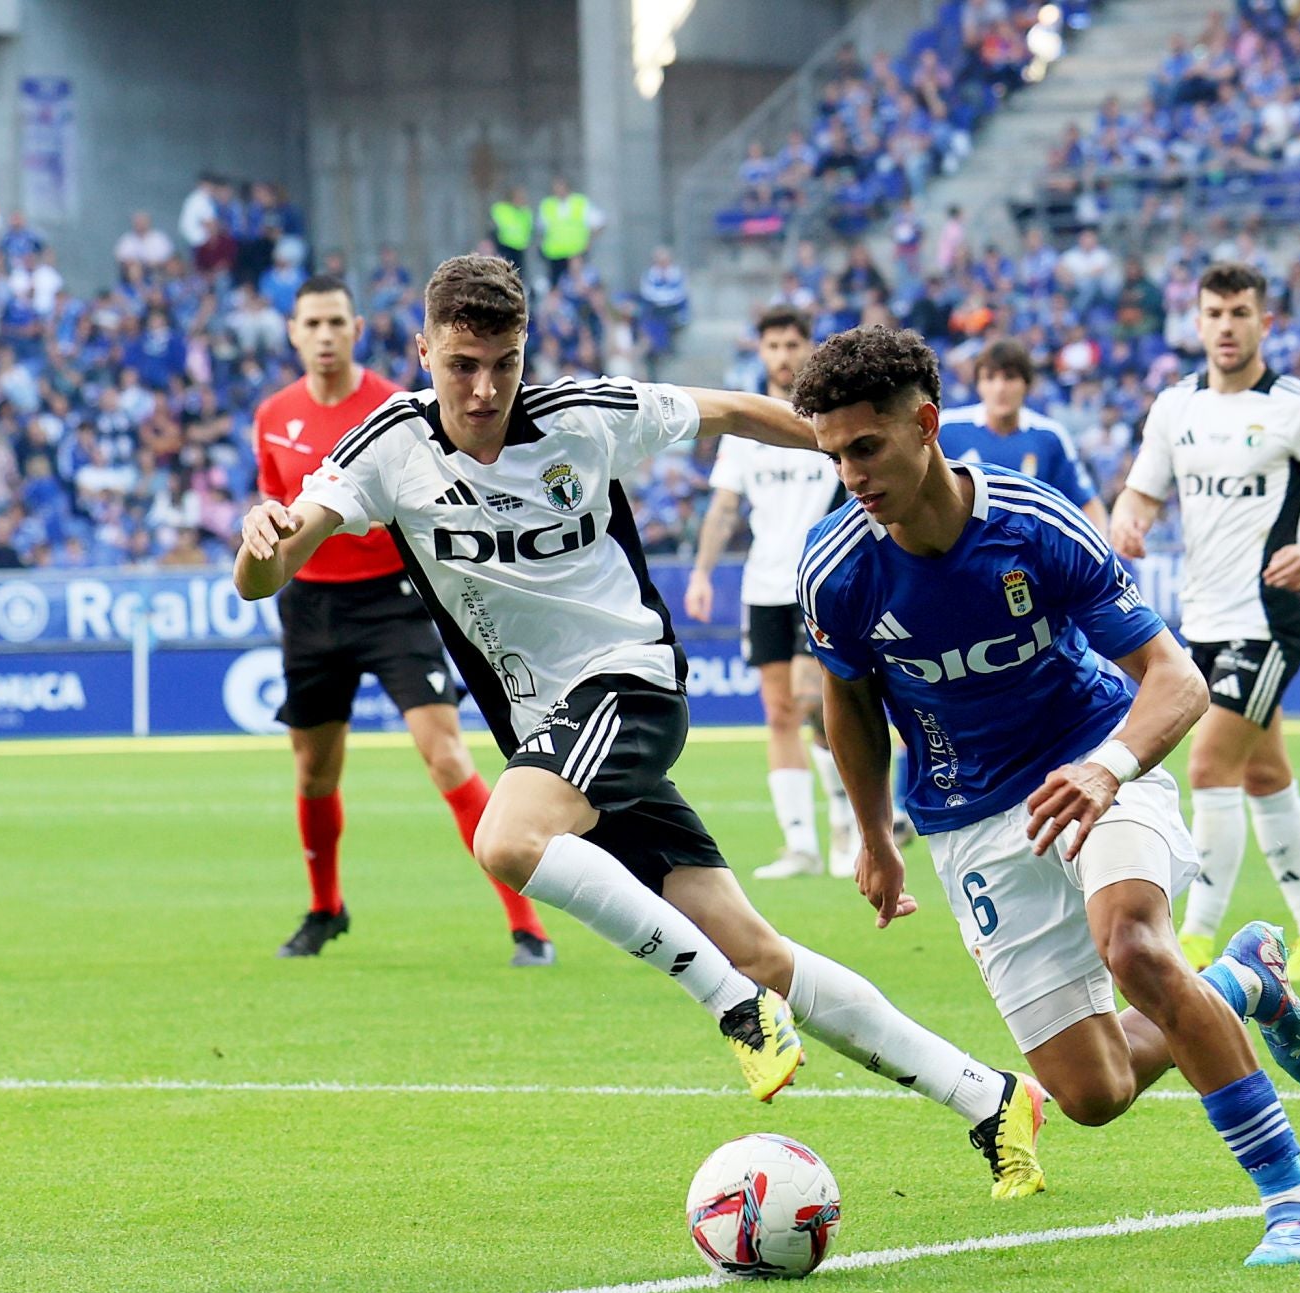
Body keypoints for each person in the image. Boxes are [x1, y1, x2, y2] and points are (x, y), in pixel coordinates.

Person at [235, 255, 1043, 1195]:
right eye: (462, 365)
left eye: (504, 360)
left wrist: (868, 451)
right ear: (423, 353)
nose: (486, 387)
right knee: (758, 947)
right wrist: (262, 541)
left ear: (524, 349)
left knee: (506, 837)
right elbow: (271, 569)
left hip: (631, 686)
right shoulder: (387, 448)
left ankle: (735, 1010)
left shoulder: (583, 415)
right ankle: (987, 1095)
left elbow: (737, 412)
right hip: (553, 734)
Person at [793, 326, 1300, 1262]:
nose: (851, 474)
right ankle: (1245, 977)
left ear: (924, 425)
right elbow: (846, 702)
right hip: (968, 823)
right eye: (833, 454)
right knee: (1092, 1094)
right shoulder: (837, 568)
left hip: (1089, 765)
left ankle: (1297, 1204)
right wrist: (873, 834)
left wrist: (1109, 766)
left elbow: (1174, 679)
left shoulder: (1035, 525)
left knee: (1133, 946)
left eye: (866, 447)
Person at [253, 275, 556, 966]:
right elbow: (275, 512)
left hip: (393, 598)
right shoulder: (273, 414)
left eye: (337, 321)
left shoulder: (395, 407)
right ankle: (326, 906)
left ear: (357, 329)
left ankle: (526, 922)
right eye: (313, 323)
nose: (325, 335)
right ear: (294, 333)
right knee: (314, 773)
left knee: (445, 754)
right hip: (310, 606)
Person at [1111, 264, 1300, 983]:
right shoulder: (1174, 408)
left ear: (1265, 323)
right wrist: (1130, 520)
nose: (1226, 326)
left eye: (1239, 313)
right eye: (1214, 313)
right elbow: (1138, 493)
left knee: (1209, 764)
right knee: (1264, 770)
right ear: (1196, 323)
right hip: (1200, 618)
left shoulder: (1298, 407)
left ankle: (1193, 938)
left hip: (1268, 617)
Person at [685, 307, 857, 879]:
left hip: (821, 582)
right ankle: (801, 846)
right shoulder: (745, 427)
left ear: (810, 347)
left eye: (792, 343)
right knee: (779, 713)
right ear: (760, 353)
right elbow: (725, 506)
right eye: (773, 345)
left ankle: (845, 819)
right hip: (764, 585)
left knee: (816, 705)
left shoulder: (830, 421)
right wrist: (704, 573)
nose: (783, 355)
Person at [937, 338, 1106, 532]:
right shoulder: (947, 429)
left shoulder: (1049, 436)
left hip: (1029, 556)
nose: (1000, 388)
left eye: (1009, 378)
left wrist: (1102, 553)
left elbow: (1088, 505)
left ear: (1027, 384)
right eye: (990, 378)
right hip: (959, 555)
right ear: (978, 385)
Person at [537, 176, 605, 286]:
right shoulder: (548, 204)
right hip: (554, 254)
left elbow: (599, 222)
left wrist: (588, 242)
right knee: (556, 287)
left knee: (579, 285)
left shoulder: (580, 202)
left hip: (576, 253)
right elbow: (541, 228)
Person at [488, 186, 534, 275]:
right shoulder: (501, 209)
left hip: (520, 248)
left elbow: (528, 230)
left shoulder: (525, 212)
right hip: (504, 246)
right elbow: (493, 227)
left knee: (518, 274)